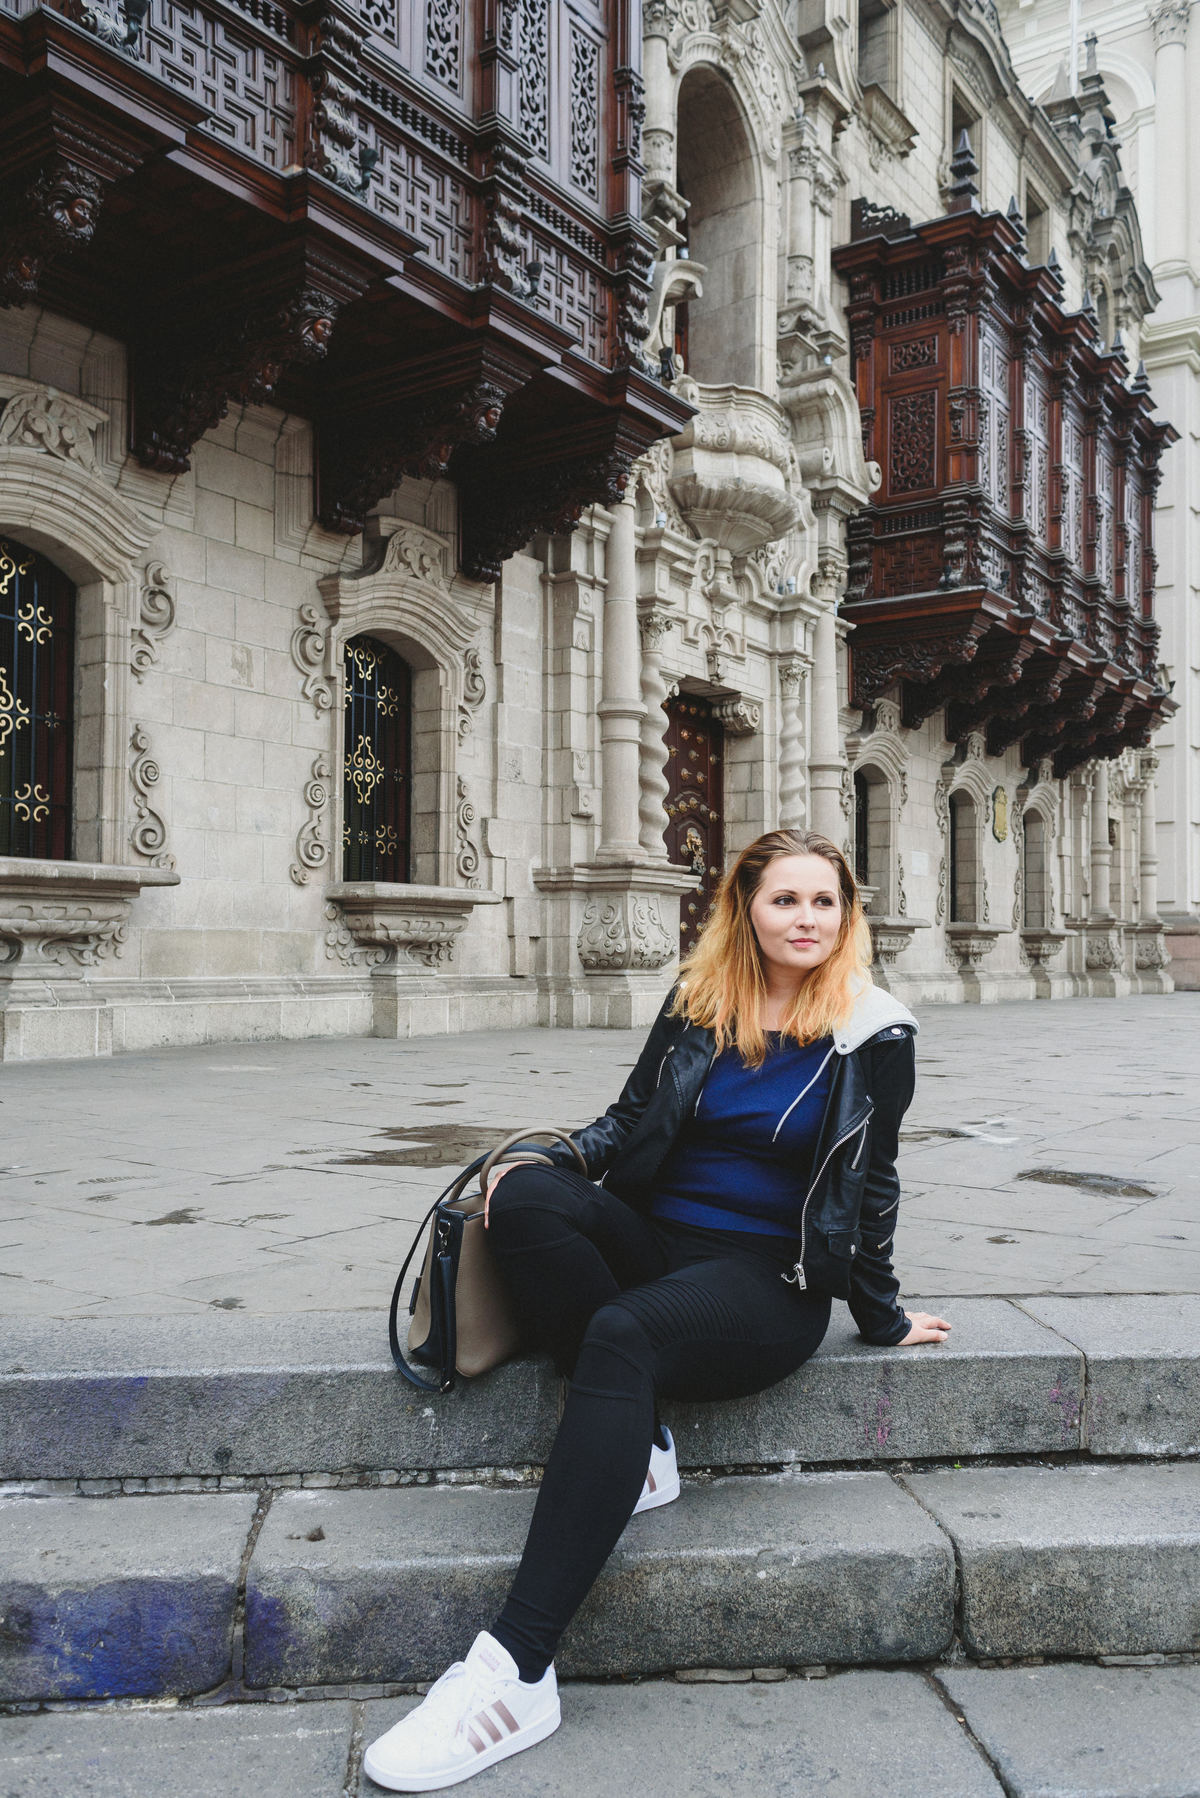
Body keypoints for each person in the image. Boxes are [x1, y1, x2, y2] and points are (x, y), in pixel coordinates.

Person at [363, 828, 951, 1792]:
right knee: (524, 1198)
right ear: (744, 910)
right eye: (784, 900)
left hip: (766, 1283)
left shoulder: (873, 1032)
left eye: (825, 902)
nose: (806, 919)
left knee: (622, 1331)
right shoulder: (700, 1002)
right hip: (657, 1243)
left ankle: (515, 1672)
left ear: (848, 916)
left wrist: (880, 1316)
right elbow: (628, 1123)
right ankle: (634, 1442)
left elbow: (872, 1184)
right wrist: (546, 1165)